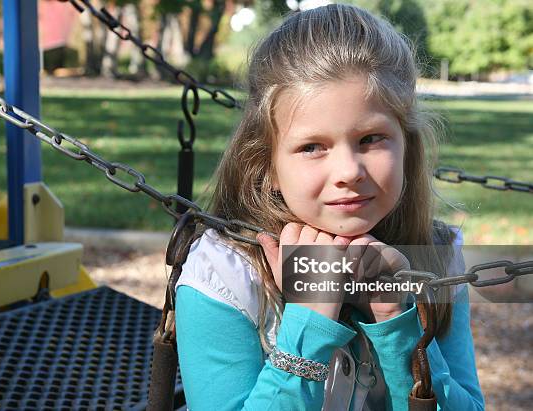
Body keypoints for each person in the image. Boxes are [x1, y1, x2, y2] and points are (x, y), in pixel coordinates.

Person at [173, 4, 485, 410]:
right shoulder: (222, 275)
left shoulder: (436, 253)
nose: (348, 171)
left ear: (407, 146)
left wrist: (395, 318)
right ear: (267, 165)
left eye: (371, 138)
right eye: (312, 147)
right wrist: (309, 322)